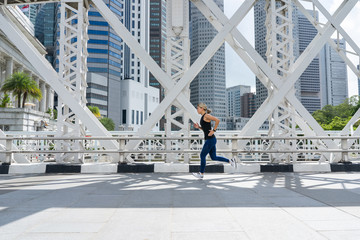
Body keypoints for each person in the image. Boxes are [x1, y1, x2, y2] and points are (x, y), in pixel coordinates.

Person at [192, 103, 237, 179]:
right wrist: (199, 127)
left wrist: (214, 130)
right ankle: (230, 161)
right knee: (213, 157)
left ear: (202, 108)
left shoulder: (206, 116)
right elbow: (206, 129)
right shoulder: (203, 117)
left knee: (202, 155)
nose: (197, 109)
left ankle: (201, 173)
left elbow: (217, 120)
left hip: (210, 140)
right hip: (211, 139)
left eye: (198, 108)